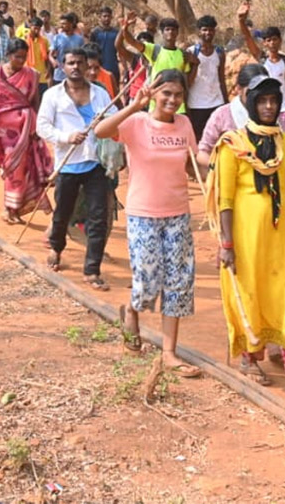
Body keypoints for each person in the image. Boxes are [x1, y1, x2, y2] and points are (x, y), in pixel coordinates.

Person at [208, 74, 285, 403]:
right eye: (262, 101)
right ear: (250, 103)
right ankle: (250, 359)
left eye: (273, 102)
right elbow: (225, 199)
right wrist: (227, 244)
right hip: (247, 238)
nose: (268, 107)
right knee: (252, 294)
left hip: (284, 235)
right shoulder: (232, 144)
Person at [96, 70, 202, 378]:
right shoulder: (137, 123)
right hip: (143, 214)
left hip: (178, 213)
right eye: (166, 93)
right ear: (154, 92)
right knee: (148, 280)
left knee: (179, 284)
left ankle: (169, 352)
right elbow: (101, 131)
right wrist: (133, 106)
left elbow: (194, 163)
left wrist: (223, 159)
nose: (172, 100)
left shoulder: (184, 124)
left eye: (178, 95)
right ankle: (132, 310)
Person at [37, 47, 115, 289]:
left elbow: (114, 118)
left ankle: (92, 270)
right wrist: (66, 136)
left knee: (98, 217)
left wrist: (104, 124)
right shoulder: (52, 95)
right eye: (70, 63)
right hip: (68, 163)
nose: (75, 67)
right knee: (62, 214)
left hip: (96, 163)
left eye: (80, 63)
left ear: (86, 65)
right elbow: (42, 126)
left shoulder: (100, 94)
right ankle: (57, 249)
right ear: (62, 66)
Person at [0, 38, 54, 225]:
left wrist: (37, 124)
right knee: (12, 168)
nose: (20, 61)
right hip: (6, 131)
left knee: (27, 168)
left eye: (23, 57)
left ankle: (16, 208)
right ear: (8, 55)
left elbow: (36, 101)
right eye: (17, 57)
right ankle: (8, 208)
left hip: (27, 127)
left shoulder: (32, 74)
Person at [236, 2, 285, 130]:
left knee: (282, 139)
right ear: (264, 44)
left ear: (280, 40)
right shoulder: (262, 59)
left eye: (275, 39)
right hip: (265, 106)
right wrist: (241, 20)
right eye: (268, 40)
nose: (272, 43)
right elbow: (247, 38)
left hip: (283, 107)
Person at [196, 63, 269, 169]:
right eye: (251, 92)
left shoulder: (270, 114)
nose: (255, 97)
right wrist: (222, 169)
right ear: (239, 89)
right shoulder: (222, 115)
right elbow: (202, 153)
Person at [120, 14, 196, 112]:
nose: (170, 32)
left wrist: (196, 65)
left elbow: (187, 82)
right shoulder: (153, 50)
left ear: (177, 32)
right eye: (167, 29)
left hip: (177, 107)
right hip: (156, 105)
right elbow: (132, 42)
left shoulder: (183, 54)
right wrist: (125, 28)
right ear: (162, 33)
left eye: (173, 30)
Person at [186, 15, 228, 141]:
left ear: (214, 31)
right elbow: (187, 81)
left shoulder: (219, 52)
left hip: (216, 102)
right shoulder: (191, 52)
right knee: (198, 137)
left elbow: (221, 78)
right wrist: (195, 64)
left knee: (217, 137)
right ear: (199, 32)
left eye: (210, 30)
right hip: (196, 104)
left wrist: (226, 101)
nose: (207, 33)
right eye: (204, 30)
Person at [49, 12, 85, 83]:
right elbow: (50, 54)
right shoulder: (57, 38)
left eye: (64, 24)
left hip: (75, 74)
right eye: (61, 24)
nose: (61, 26)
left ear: (71, 24)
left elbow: (83, 56)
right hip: (60, 75)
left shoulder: (79, 39)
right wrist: (53, 61)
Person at [89, 5, 122, 82]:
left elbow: (120, 49)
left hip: (113, 66)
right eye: (104, 16)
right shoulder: (95, 32)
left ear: (111, 17)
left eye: (109, 16)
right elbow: (91, 50)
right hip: (99, 67)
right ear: (100, 17)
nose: (107, 18)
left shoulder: (116, 32)